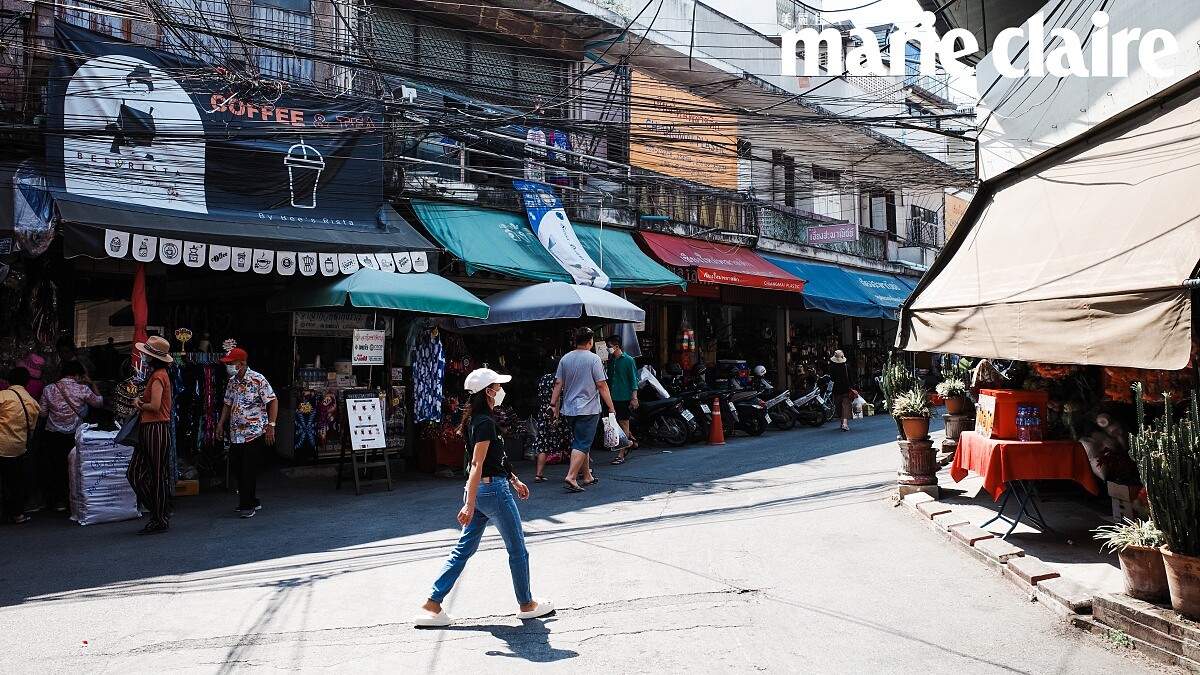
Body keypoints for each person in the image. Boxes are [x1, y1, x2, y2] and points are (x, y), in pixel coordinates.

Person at [415, 368, 553, 628]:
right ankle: (527, 604)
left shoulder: (475, 421)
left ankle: (432, 603)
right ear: (488, 391)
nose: (501, 390)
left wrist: (513, 480)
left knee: (463, 549)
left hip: (483, 491)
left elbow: (492, 460)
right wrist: (468, 503)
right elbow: (477, 464)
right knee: (518, 549)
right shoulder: (485, 422)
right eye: (497, 386)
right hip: (492, 492)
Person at [549, 327, 617, 493]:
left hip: (570, 409)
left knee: (581, 440)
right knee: (582, 442)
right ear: (590, 341)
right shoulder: (593, 359)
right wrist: (611, 405)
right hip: (588, 408)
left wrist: (552, 404)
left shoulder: (565, 359)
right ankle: (571, 476)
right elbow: (601, 384)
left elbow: (558, 383)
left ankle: (587, 476)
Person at [217, 347, 277, 519]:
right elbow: (228, 403)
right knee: (238, 466)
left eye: (231, 363)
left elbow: (273, 401)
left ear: (241, 364)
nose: (229, 366)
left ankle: (246, 504)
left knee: (248, 467)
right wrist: (220, 423)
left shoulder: (258, 380)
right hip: (236, 432)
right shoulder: (232, 381)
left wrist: (271, 426)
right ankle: (252, 499)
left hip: (255, 431)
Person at [38, 361, 104, 512]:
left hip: (53, 433)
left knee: (56, 466)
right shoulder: (82, 389)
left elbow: (42, 412)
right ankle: (73, 500)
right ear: (79, 375)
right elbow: (99, 403)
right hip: (74, 434)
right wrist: (92, 383)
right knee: (74, 466)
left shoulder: (49, 389)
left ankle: (57, 499)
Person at [127, 336, 174, 535]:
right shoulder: (158, 375)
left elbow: (154, 406)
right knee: (141, 473)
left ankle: (159, 516)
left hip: (156, 427)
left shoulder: (158, 376)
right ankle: (159, 512)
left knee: (153, 475)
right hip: (154, 428)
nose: (144, 357)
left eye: (146, 354)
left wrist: (139, 404)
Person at [0, 368, 40, 524]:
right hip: (18, 448)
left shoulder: (3, 396)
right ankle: (18, 514)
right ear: (27, 383)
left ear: (8, 381)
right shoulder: (33, 403)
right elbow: (31, 430)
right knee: (16, 482)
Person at [531, 368, 571, 483]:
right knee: (570, 441)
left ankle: (539, 475)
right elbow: (557, 398)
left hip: (544, 411)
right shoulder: (558, 380)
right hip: (556, 411)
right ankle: (579, 471)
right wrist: (556, 417)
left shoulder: (543, 379)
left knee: (543, 444)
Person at [605, 334, 639, 466]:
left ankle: (621, 453)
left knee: (623, 423)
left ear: (617, 346)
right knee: (613, 425)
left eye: (609, 347)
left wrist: (634, 397)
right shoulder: (610, 361)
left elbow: (633, 380)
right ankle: (629, 443)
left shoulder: (628, 360)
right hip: (611, 397)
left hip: (624, 396)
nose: (608, 349)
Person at [829, 349, 853, 432]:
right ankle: (845, 423)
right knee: (846, 406)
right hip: (846, 388)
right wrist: (853, 387)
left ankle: (841, 422)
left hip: (837, 390)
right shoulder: (847, 366)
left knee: (839, 406)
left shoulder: (832, 368)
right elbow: (851, 378)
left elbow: (832, 379)